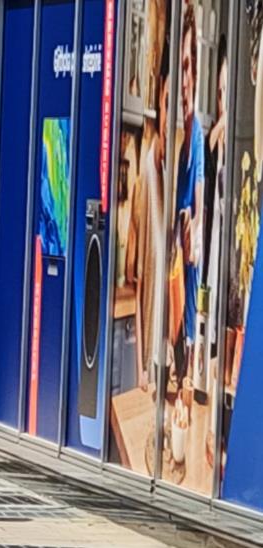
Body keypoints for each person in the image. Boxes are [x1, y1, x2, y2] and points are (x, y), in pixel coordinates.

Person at [127, 36, 170, 392]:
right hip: (150, 370)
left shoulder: (175, 172)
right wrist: (141, 369)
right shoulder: (147, 175)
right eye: (168, 102)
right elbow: (138, 282)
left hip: (166, 365)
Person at [171, 3, 205, 389]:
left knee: (189, 308)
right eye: (179, 69)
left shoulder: (194, 135)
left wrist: (193, 225)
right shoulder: (177, 134)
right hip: (174, 257)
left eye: (187, 68)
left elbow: (198, 195)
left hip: (185, 255)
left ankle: (185, 378)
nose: (184, 81)